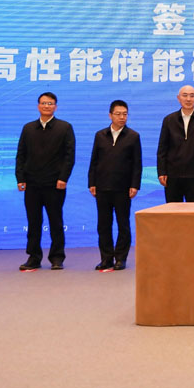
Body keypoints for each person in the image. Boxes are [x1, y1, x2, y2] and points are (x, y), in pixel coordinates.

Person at [14, 92, 75, 271]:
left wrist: (63, 178)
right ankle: (33, 257)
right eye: (43, 103)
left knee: (56, 221)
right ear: (38, 106)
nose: (46, 106)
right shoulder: (28, 128)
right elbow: (21, 155)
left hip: (55, 184)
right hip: (32, 183)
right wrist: (20, 178)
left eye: (50, 103)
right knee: (33, 222)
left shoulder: (64, 127)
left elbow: (69, 156)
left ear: (56, 106)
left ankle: (57, 257)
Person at [87, 100, 141, 272]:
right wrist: (92, 182)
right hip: (102, 186)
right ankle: (106, 258)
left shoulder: (133, 136)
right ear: (110, 115)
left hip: (123, 188)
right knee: (103, 225)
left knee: (123, 224)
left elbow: (137, 164)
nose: (122, 117)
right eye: (118, 114)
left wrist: (135, 185)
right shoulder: (100, 135)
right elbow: (94, 161)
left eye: (125, 114)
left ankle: (121, 258)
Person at [156, 85, 194, 203]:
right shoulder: (169, 119)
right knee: (172, 210)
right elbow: (162, 149)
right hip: (172, 175)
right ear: (178, 98)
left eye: (192, 96)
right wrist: (162, 172)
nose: (188, 99)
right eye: (185, 95)